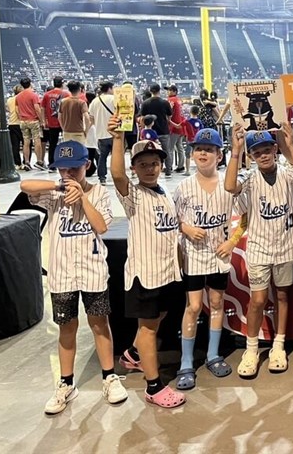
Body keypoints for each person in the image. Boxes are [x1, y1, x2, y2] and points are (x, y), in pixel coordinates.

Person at [20, 140, 127, 415]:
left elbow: (102, 226)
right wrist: (58, 186)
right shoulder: (53, 193)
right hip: (62, 273)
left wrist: (82, 197)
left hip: (92, 271)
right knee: (66, 326)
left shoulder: (99, 192)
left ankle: (109, 376)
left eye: (74, 169)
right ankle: (66, 383)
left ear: (87, 165)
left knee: (99, 323)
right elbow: (25, 187)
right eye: (63, 170)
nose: (68, 175)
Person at [108, 118, 185, 409]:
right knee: (149, 328)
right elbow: (116, 175)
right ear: (134, 168)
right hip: (146, 274)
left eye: (154, 163)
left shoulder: (163, 193)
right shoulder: (134, 196)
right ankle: (153, 386)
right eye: (143, 164)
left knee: (158, 319)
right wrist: (117, 138)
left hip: (166, 273)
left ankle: (132, 354)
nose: (150, 168)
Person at [225, 124, 293, 377]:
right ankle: (251, 349)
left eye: (267, 149)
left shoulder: (285, 173)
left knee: (283, 296)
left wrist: (291, 145)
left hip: (285, 247)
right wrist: (236, 150)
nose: (263, 155)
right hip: (260, 249)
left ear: (275, 149)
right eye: (257, 152)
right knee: (258, 300)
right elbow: (230, 187)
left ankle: (279, 345)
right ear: (251, 156)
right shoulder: (250, 179)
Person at [173, 128, 240, 390]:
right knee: (193, 306)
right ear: (192, 154)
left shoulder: (229, 184)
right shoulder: (183, 187)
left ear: (219, 155)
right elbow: (172, 219)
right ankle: (186, 362)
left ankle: (213, 354)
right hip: (193, 256)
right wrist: (186, 228)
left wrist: (232, 241)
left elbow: (244, 216)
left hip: (218, 256)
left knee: (216, 302)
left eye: (209, 149)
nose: (203, 153)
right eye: (199, 149)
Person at [141, 84, 174, 177]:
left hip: (149, 132)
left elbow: (142, 117)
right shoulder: (165, 103)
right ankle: (168, 170)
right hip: (163, 130)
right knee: (166, 151)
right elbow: (170, 116)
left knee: (150, 153)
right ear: (159, 91)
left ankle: (152, 170)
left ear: (150, 91)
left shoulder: (145, 103)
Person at [16, 77, 46, 171]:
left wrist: (21, 117)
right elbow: (37, 108)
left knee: (26, 142)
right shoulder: (33, 95)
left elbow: (17, 110)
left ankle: (27, 162)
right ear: (30, 84)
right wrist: (42, 120)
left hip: (23, 121)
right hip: (33, 120)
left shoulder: (18, 96)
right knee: (37, 140)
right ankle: (39, 161)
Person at [88, 81, 115, 185]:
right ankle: (116, 174)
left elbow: (91, 118)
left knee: (102, 157)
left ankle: (102, 177)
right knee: (116, 156)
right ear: (109, 88)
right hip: (114, 133)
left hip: (100, 134)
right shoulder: (113, 99)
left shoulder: (95, 101)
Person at [42, 76, 68, 166]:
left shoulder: (47, 94)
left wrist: (43, 121)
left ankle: (51, 163)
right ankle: (66, 162)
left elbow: (42, 108)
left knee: (52, 144)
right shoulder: (66, 94)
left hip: (51, 122)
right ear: (62, 83)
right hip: (64, 122)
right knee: (66, 142)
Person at [59, 80, 91, 145]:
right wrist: (86, 131)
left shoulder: (63, 101)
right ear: (79, 89)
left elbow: (59, 117)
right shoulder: (82, 103)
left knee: (69, 152)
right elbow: (87, 118)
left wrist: (63, 128)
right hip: (78, 132)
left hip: (66, 131)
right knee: (79, 152)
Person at [167, 85, 186, 173]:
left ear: (174, 91)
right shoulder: (179, 100)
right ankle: (181, 165)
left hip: (174, 126)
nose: (168, 92)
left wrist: (170, 123)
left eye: (170, 90)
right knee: (180, 147)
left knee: (170, 148)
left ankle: (169, 166)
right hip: (181, 125)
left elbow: (168, 113)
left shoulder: (171, 100)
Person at [183, 106, 203, 175]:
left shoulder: (187, 121)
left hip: (189, 140)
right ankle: (198, 170)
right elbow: (201, 131)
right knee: (197, 155)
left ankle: (187, 170)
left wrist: (169, 121)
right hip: (197, 140)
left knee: (187, 154)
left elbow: (178, 126)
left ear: (190, 112)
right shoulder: (199, 121)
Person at [6, 84, 23, 170]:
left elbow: (8, 110)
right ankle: (26, 162)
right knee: (26, 144)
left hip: (12, 123)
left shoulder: (9, 100)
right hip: (21, 123)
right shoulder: (21, 99)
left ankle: (17, 163)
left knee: (15, 145)